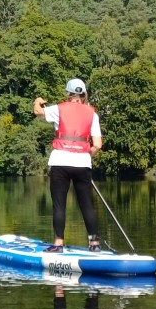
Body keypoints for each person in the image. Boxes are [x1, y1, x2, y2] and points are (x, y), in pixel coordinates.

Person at [33, 78, 102, 252]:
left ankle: (58, 244)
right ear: (84, 95)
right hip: (82, 163)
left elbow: (38, 112)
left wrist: (38, 101)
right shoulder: (92, 114)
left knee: (59, 205)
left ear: (68, 94)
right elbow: (98, 145)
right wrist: (87, 154)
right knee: (86, 204)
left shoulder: (59, 109)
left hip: (60, 162)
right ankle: (94, 244)